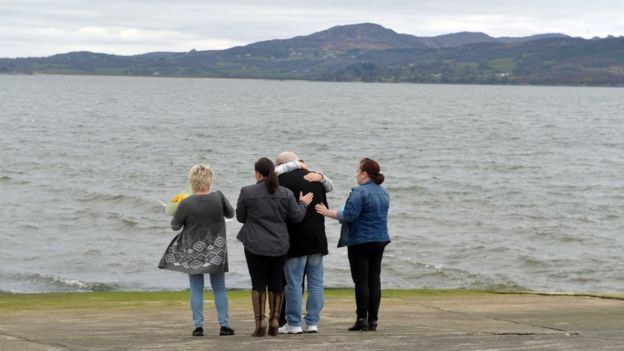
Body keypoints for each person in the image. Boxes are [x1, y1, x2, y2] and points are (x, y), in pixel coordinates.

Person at [236, 157, 314, 337]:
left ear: (257, 173)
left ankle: (260, 322)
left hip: (254, 244)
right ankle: (275, 320)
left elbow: (241, 217)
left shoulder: (247, 192)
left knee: (258, 283)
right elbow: (296, 217)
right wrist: (303, 204)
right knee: (276, 282)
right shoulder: (285, 193)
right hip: (279, 244)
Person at [158, 164, 235, 337]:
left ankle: (198, 327)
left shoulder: (186, 202)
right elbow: (231, 214)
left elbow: (174, 226)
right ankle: (224, 325)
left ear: (192, 181)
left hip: (193, 250)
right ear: (210, 180)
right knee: (219, 287)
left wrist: (176, 208)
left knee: (196, 287)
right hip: (216, 249)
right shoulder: (219, 197)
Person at [315, 158, 390, 332]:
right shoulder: (384, 192)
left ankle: (361, 319)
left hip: (360, 241)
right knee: (374, 279)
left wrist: (327, 212)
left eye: (358, 171)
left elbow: (349, 215)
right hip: (380, 239)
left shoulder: (359, 192)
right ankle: (373, 320)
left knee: (361, 280)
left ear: (364, 174)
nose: (356, 174)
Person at [274, 152, 331, 334]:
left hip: (296, 238)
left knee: (293, 283)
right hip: (317, 237)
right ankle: (313, 322)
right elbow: (324, 206)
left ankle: (294, 323)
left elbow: (281, 211)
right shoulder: (315, 178)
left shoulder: (282, 180)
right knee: (315, 282)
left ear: (282, 165)